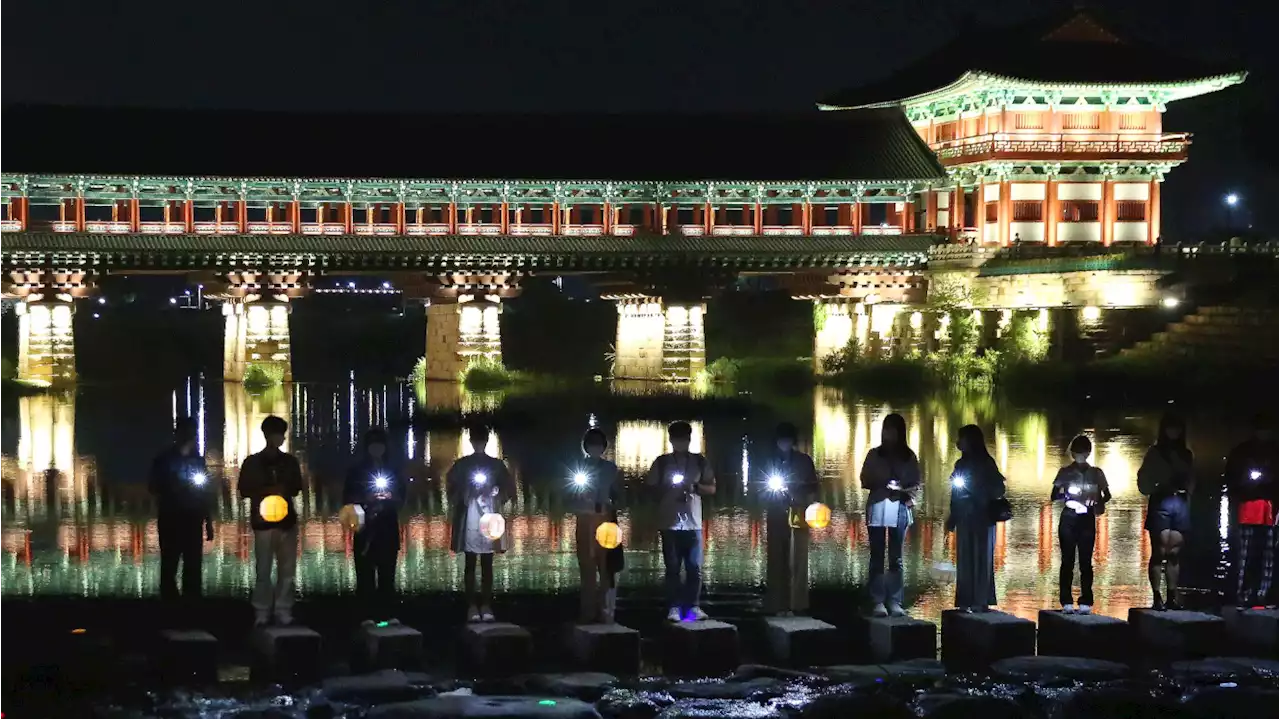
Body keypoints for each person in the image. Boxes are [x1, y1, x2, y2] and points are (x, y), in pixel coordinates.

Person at [238, 415, 304, 627]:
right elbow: (244, 490)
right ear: (268, 435)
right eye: (278, 434)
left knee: (287, 569)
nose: (281, 439)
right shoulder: (252, 462)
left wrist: (283, 488)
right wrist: (266, 490)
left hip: (286, 522)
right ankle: (262, 611)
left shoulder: (290, 462)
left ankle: (284, 610)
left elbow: (296, 488)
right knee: (263, 569)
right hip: (263, 522)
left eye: (282, 435)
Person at [646, 421, 716, 622]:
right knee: (673, 567)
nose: (680, 443)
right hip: (669, 522)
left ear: (689, 440)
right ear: (670, 440)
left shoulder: (700, 462)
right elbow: (649, 488)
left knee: (694, 567)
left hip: (693, 522)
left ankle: (693, 606)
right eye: (676, 439)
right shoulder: (662, 462)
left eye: (683, 439)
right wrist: (667, 486)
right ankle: (674, 607)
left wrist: (694, 487)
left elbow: (712, 488)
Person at [446, 423, 515, 623]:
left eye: (481, 440)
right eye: (475, 441)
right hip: (470, 514)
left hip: (490, 514)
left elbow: (508, 488)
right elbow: (450, 487)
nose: (478, 444)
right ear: (471, 442)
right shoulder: (462, 465)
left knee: (487, 562)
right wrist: (467, 492)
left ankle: (486, 604)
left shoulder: (497, 465)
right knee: (470, 560)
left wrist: (495, 492)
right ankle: (471, 605)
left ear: (486, 441)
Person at [859, 413, 921, 617]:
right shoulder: (875, 454)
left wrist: (903, 489)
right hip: (878, 505)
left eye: (892, 429)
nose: (888, 433)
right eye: (886, 429)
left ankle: (895, 600)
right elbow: (864, 479)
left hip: (900, 506)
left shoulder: (909, 456)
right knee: (877, 554)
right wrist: (880, 482)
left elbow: (916, 483)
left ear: (900, 432)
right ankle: (877, 600)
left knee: (896, 557)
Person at [342, 428, 406, 622]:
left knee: (387, 573)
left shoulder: (393, 471)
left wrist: (391, 498)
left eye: (380, 445)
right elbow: (347, 499)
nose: (376, 449)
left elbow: (402, 497)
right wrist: (365, 499)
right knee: (365, 574)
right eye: (373, 445)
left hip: (387, 526)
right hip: (365, 527)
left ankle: (387, 615)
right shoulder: (356, 471)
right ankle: (366, 615)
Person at [149, 417, 213, 602]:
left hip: (193, 518)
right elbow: (153, 487)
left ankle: (191, 601)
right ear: (178, 434)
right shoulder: (163, 460)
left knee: (193, 563)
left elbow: (205, 492)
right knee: (170, 561)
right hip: (171, 516)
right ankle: (170, 601)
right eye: (186, 433)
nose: (190, 437)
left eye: (192, 433)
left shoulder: (198, 461)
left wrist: (208, 522)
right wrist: (172, 486)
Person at [946, 424, 1006, 612]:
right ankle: (965, 600)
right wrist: (952, 517)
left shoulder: (987, 463)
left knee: (982, 558)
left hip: (983, 516)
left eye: (961, 439)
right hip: (965, 516)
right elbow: (954, 493)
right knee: (964, 558)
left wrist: (979, 492)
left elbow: (999, 488)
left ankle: (981, 600)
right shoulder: (960, 464)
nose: (958, 443)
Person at [1137, 413, 1194, 610]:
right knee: (1159, 551)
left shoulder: (1185, 453)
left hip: (1179, 502)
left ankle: (1171, 595)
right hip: (1161, 501)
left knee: (1174, 552)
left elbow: (1191, 478)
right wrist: (1159, 485)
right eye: (1170, 428)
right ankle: (1156, 596)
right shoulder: (1155, 453)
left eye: (1177, 428)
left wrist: (1188, 490)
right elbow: (1143, 481)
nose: (1174, 432)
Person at [762, 422, 819, 617]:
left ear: (792, 441)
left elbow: (813, 486)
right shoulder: (769, 460)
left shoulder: (804, 461)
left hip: (799, 511)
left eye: (787, 439)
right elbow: (760, 486)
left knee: (799, 557)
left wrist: (799, 490)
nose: (784, 443)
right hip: (776, 511)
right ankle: (777, 604)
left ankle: (798, 604)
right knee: (777, 556)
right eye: (781, 439)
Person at [1050, 435, 1112, 614]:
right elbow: (1053, 495)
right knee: (1067, 560)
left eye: (1083, 452)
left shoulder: (1096, 473)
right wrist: (1068, 495)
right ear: (1072, 453)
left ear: (1088, 453)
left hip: (1087, 518)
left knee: (1085, 561)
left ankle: (1086, 600)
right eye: (1077, 452)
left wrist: (1097, 499)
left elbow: (1107, 494)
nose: (1080, 455)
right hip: (1069, 516)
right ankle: (1066, 600)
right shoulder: (1065, 472)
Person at [1224, 414, 1280, 608]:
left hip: (1270, 511)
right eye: (1261, 429)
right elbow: (1232, 481)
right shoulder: (1242, 452)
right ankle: (1242, 592)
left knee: (1268, 555)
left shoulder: (1275, 452)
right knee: (1244, 554)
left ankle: (1263, 593)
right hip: (1247, 510)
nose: (1264, 433)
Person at [569, 428, 623, 624]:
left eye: (598, 445)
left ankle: (607, 610)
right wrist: (579, 498)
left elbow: (619, 496)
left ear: (603, 447)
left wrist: (609, 501)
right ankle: (588, 611)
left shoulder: (611, 469)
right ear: (586, 447)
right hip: (584, 520)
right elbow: (569, 495)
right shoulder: (579, 467)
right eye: (591, 445)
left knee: (607, 566)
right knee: (586, 565)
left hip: (606, 520)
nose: (595, 448)